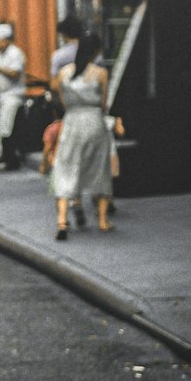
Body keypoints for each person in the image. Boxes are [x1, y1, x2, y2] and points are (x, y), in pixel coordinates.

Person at [51, 32, 113, 240]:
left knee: (66, 166)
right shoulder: (101, 73)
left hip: (72, 122)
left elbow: (61, 101)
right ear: (95, 51)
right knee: (99, 167)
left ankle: (61, 220)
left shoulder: (63, 73)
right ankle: (103, 221)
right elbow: (104, 103)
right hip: (94, 121)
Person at [0, 22, 27, 170]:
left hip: (13, 96)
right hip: (2, 96)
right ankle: (5, 157)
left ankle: (11, 160)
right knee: (3, 129)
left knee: (8, 129)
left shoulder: (15, 53)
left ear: (6, 40)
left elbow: (15, 73)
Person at [50, 14, 83, 87]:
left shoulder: (58, 56)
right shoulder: (92, 52)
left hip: (67, 95)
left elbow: (54, 85)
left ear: (64, 34)